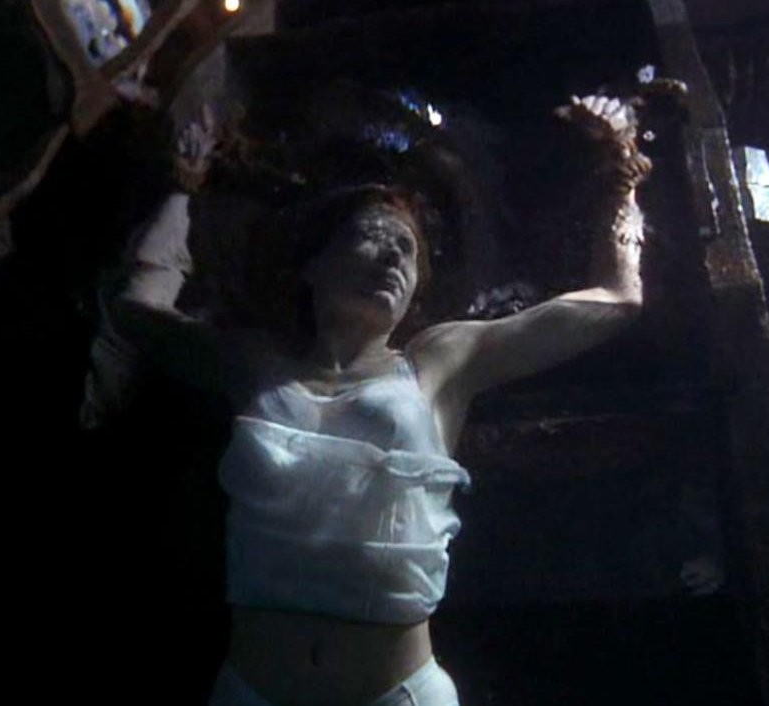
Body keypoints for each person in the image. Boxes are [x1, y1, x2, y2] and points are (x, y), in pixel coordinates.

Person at [81, 94, 651, 706]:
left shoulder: (437, 363)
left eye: (408, 251)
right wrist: (183, 187)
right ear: (313, 265)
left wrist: (622, 172)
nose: (394, 257)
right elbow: (139, 308)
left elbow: (618, 300)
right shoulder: (256, 365)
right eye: (376, 236)